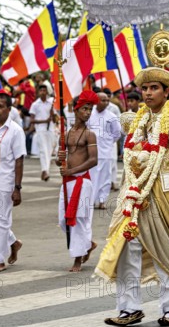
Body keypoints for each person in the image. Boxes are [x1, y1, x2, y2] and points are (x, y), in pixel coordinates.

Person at [97, 67, 169, 327]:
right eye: (144, 89)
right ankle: (129, 308)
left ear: (167, 91)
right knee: (126, 248)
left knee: (165, 249)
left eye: (154, 88)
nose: (148, 93)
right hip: (134, 193)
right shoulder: (137, 119)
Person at [56, 91, 99, 272]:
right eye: (84, 109)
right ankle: (87, 244)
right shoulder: (65, 134)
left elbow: (93, 160)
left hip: (82, 182)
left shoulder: (90, 135)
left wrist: (71, 170)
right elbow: (60, 160)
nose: (88, 113)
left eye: (90, 109)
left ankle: (77, 260)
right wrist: (59, 159)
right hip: (67, 182)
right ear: (76, 110)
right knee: (62, 219)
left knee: (79, 220)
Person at [0, 92, 26, 273]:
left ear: (9, 110)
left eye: (0, 106)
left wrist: (17, 188)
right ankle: (13, 242)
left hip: (5, 183)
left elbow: (19, 160)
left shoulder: (16, 130)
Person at [87, 92, 121, 209]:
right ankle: (91, 200)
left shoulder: (111, 116)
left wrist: (107, 142)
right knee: (92, 177)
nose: (106, 102)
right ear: (96, 101)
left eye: (107, 100)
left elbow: (117, 134)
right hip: (91, 153)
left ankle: (102, 200)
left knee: (105, 177)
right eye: (103, 100)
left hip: (106, 152)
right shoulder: (89, 114)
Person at [29, 85, 55, 181]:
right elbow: (32, 120)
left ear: (47, 92)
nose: (43, 92)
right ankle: (45, 171)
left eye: (44, 90)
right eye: (41, 90)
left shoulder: (51, 102)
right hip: (40, 130)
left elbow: (56, 117)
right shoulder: (35, 104)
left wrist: (53, 115)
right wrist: (45, 121)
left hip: (50, 130)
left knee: (49, 151)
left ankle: (45, 170)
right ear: (38, 92)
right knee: (43, 151)